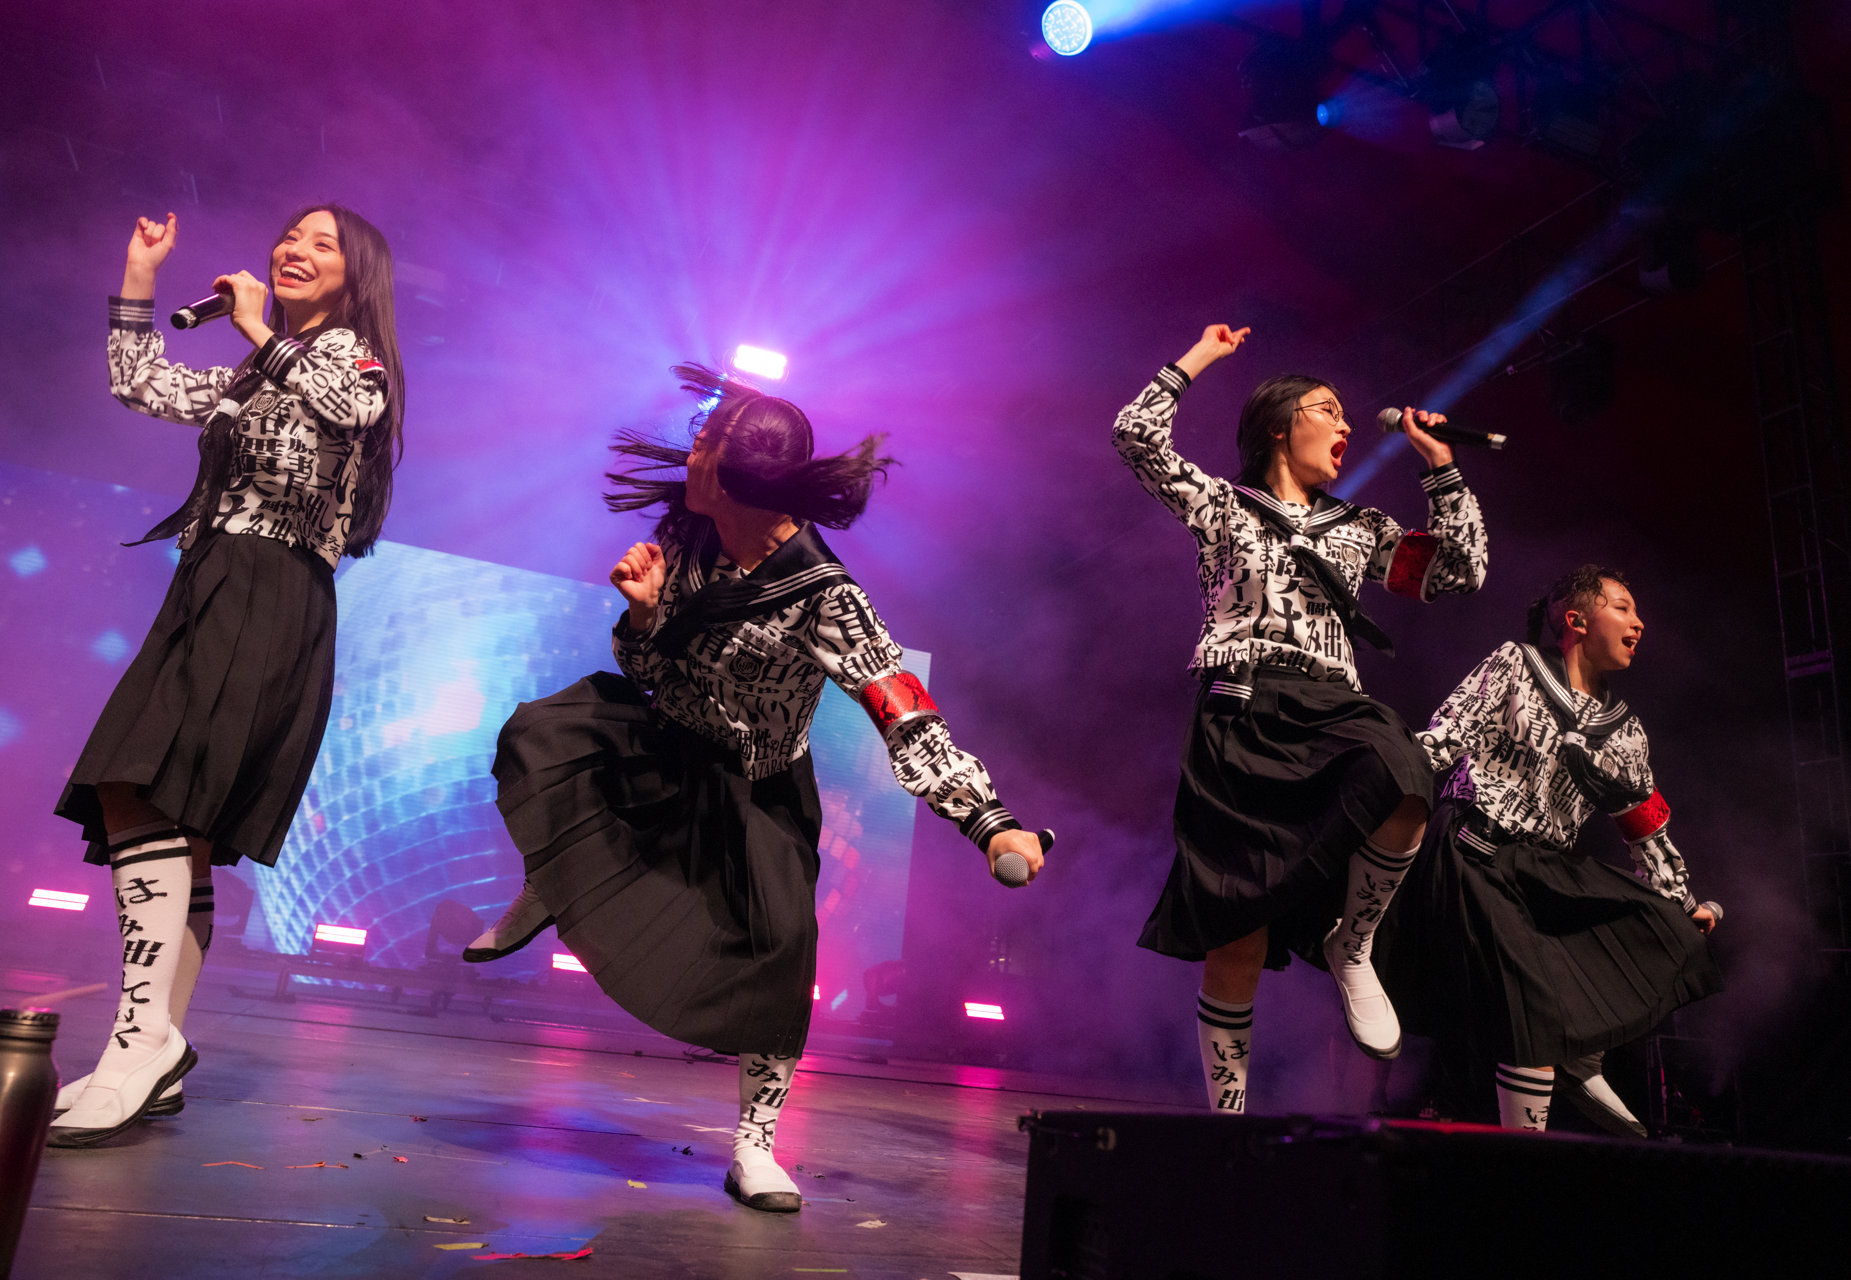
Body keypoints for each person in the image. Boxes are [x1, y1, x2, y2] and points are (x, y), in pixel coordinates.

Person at [465, 365, 1046, 1212]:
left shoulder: (826, 598)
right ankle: (551, 883)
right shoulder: (690, 537)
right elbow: (650, 669)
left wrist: (990, 822)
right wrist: (642, 614)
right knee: (544, 735)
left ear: (736, 479)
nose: (687, 454)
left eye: (704, 445)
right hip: (664, 745)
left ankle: (756, 1145)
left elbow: (905, 713)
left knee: (782, 947)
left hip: (758, 784)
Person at [49, 206, 405, 1147]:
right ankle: (150, 1044)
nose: (294, 250)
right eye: (290, 236)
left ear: (357, 274)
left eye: (322, 243)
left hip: (271, 585)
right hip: (211, 582)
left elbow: (351, 411)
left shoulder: (356, 359)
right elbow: (139, 382)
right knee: (172, 816)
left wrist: (255, 327)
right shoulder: (254, 373)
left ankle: (138, 1044)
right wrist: (140, 274)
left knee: (140, 784)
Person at [1116, 323, 1487, 1115]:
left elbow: (1459, 573)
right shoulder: (1223, 505)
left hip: (1330, 703)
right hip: (1238, 707)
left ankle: (1353, 942)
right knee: (1236, 930)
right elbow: (1135, 437)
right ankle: (1227, 1121)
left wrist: (1440, 466)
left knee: (1404, 773)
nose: (1347, 425)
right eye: (1328, 410)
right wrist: (1202, 355)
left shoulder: (1360, 528)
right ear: (1282, 426)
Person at [1378, 566, 1723, 1134]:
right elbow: (1446, 737)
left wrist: (1684, 903)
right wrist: (1380, 769)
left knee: (1667, 928)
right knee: (1531, 1014)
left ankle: (1578, 1057)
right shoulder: (1515, 665)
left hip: (1541, 867)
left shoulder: (1625, 733)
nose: (1639, 622)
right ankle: (1539, 1133)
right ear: (1576, 620)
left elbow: (1646, 827)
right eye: (1622, 607)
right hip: (1473, 848)